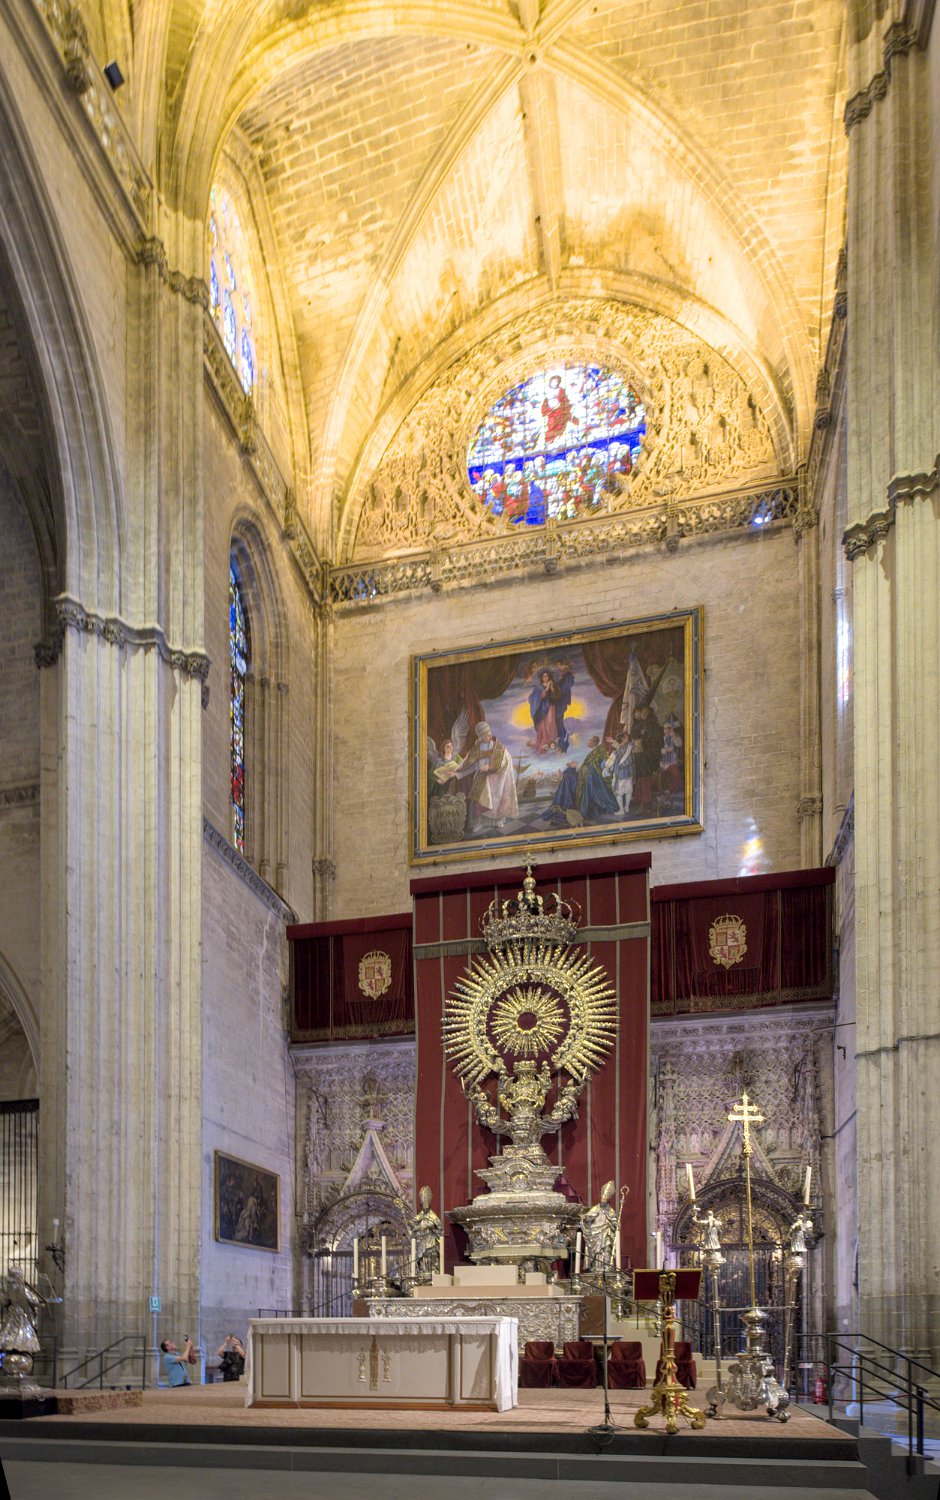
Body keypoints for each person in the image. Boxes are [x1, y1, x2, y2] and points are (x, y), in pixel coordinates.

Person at [457, 722, 518, 832]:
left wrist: (490, 766)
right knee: (478, 802)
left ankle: (497, 821)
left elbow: (506, 761)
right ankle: (479, 823)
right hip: (480, 778)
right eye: (486, 734)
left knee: (496, 802)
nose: (489, 735)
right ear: (480, 737)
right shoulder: (475, 749)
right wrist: (457, 773)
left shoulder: (498, 747)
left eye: (489, 732)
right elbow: (468, 765)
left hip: (495, 779)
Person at [580, 1180, 620, 1271]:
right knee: (597, 1252)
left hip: (606, 1234)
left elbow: (615, 1222)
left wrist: (617, 1225)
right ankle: (596, 1267)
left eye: (605, 1199)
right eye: (602, 1197)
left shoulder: (611, 1211)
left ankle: (606, 1267)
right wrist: (585, 1219)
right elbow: (587, 1219)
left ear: (608, 1200)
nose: (603, 1200)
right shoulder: (595, 1208)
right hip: (595, 1235)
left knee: (606, 1249)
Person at [407, 1186, 444, 1276]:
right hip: (422, 1240)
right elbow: (413, 1222)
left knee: (431, 1254)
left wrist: (426, 1226)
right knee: (421, 1256)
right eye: (423, 1206)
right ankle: (422, 1271)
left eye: (426, 1207)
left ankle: (433, 1270)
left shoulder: (433, 1216)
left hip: (431, 1239)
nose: (425, 1208)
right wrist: (411, 1224)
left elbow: (438, 1226)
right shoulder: (421, 1215)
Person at [604, 731, 636, 816]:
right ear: (623, 739)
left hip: (621, 775)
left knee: (618, 792)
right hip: (629, 774)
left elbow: (608, 764)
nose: (628, 738)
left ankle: (621, 810)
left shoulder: (616, 752)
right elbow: (621, 747)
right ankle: (627, 807)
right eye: (626, 737)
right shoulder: (629, 747)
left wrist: (606, 769)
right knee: (628, 791)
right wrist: (613, 741)